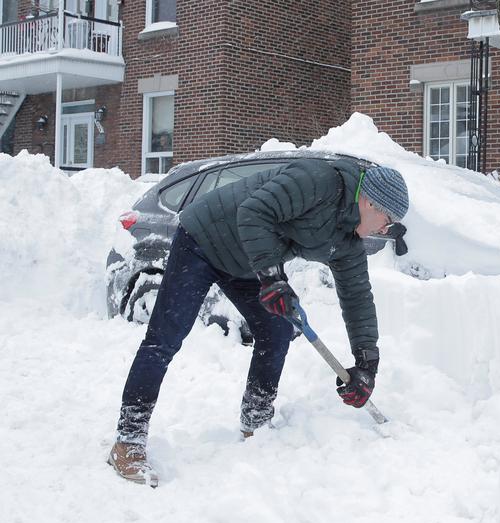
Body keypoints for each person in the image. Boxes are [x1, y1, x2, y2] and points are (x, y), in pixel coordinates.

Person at [108, 158, 410, 487]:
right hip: (203, 239)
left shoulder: (348, 242)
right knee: (166, 336)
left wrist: (367, 363)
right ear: (369, 202)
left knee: (277, 330)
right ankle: (128, 441)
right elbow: (254, 212)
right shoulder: (319, 180)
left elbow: (357, 296)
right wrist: (272, 276)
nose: (386, 230)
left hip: (244, 261)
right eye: (388, 220)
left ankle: (256, 422)